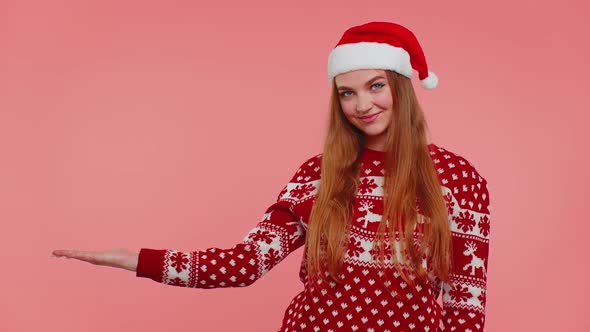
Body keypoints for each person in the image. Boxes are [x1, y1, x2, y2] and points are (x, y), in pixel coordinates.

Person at [53, 21, 491, 331]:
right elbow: (246, 263)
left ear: (401, 88)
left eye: (376, 86)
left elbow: (465, 303)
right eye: (347, 93)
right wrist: (136, 260)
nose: (362, 105)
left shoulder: (456, 178)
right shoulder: (320, 174)